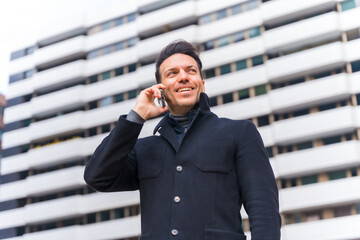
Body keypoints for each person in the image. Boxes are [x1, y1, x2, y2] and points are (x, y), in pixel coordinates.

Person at [84, 40, 281, 240]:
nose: (184, 77)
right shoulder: (145, 149)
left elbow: (264, 211)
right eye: (172, 73)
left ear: (202, 85)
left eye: (191, 71)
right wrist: (137, 116)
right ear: (160, 90)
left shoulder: (239, 133)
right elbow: (97, 176)